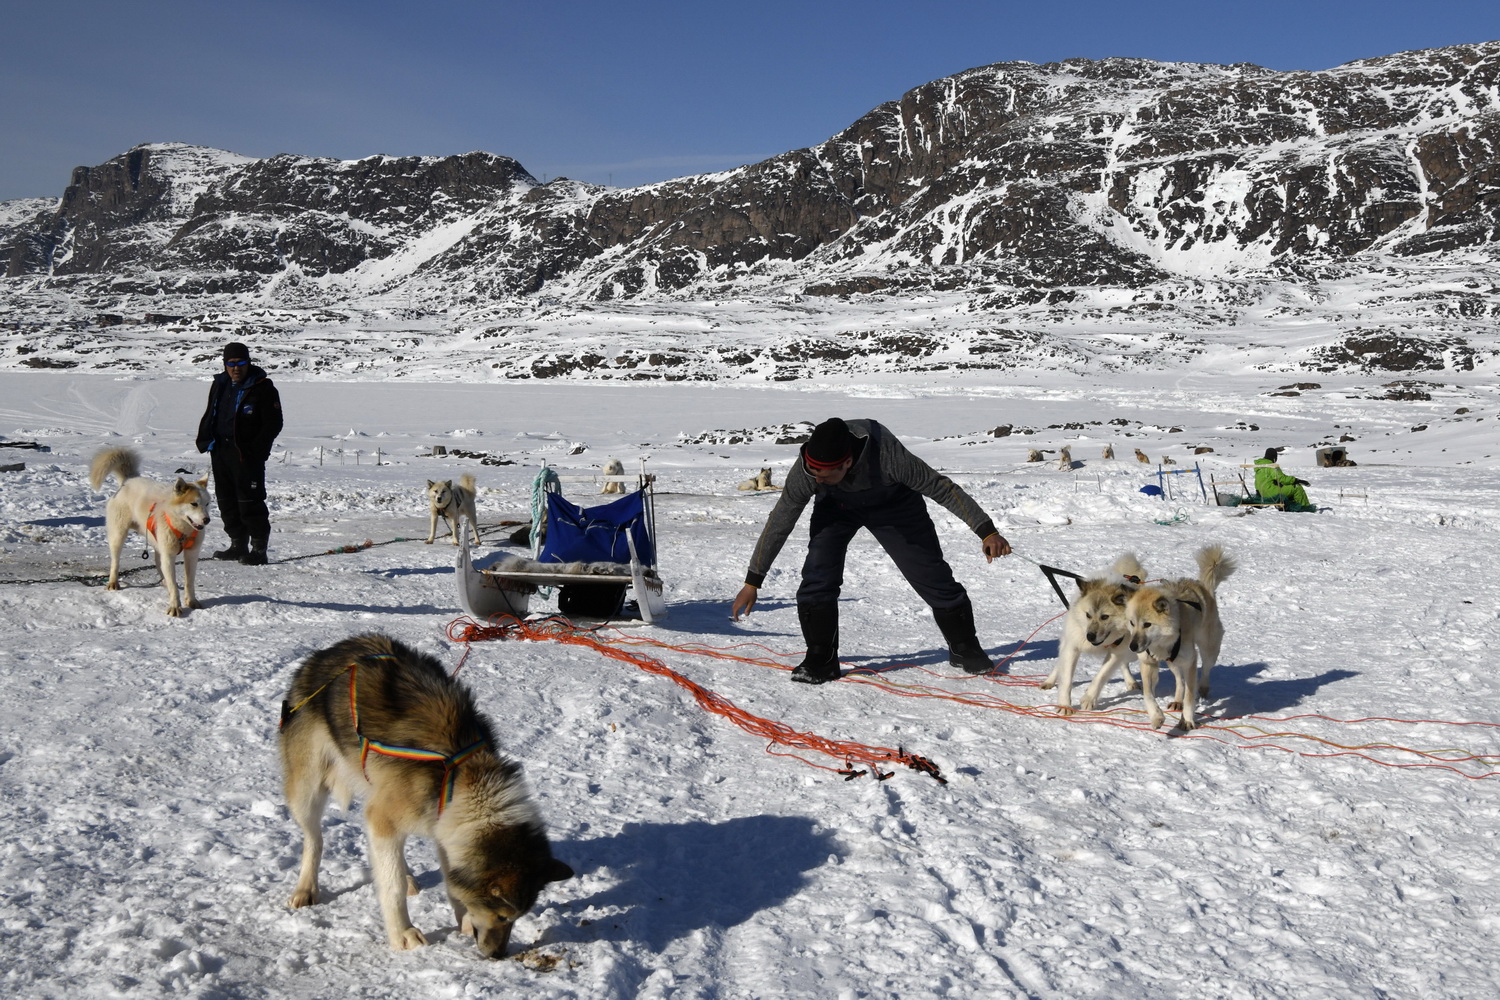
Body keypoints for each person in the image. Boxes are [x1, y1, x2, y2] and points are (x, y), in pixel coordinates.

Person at [730, 417, 1011, 684]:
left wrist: (986, 530)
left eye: (824, 476)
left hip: (895, 506)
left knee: (930, 574)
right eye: (813, 474)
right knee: (818, 572)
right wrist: (753, 580)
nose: (816, 481)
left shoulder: (890, 457)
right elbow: (780, 520)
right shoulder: (809, 472)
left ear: (848, 462)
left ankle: (964, 647)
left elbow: (943, 489)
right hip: (836, 508)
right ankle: (821, 657)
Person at [196, 342, 283, 564]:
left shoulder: (263, 387)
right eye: (231, 364)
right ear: (225, 365)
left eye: (241, 363)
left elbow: (273, 423)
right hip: (221, 451)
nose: (236, 368)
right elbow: (211, 412)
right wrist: (207, 439)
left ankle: (258, 549)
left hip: (247, 454)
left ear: (249, 363)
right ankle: (237, 544)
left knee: (249, 501)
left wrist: (257, 450)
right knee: (226, 500)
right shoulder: (220, 384)